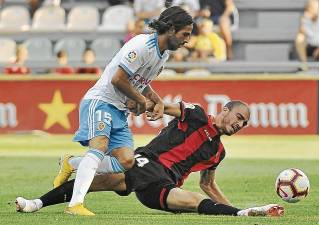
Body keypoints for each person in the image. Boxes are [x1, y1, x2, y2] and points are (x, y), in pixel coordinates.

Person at [15, 100, 284, 217]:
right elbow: (165, 106)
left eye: (244, 124)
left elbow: (208, 185)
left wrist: (231, 207)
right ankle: (35, 203)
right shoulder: (196, 114)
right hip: (147, 161)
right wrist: (151, 107)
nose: (240, 125)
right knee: (99, 182)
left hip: (161, 187)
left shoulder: (218, 152)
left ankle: (242, 214)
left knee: (191, 200)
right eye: (239, 118)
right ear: (225, 110)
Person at [52, 6, 194, 216]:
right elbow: (117, 79)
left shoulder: (162, 55)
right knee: (98, 147)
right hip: (101, 101)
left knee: (126, 162)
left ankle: (71, 162)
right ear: (171, 29)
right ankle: (75, 205)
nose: (187, 40)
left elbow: (141, 81)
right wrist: (140, 101)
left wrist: (157, 100)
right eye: (185, 34)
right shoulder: (142, 45)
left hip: (118, 111)